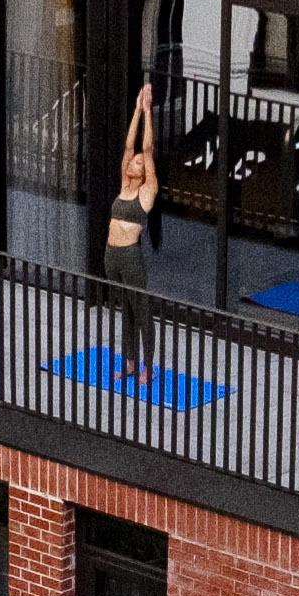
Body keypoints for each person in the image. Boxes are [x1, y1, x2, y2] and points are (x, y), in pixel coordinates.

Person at [104, 81, 164, 387]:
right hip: (111, 254)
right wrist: (136, 110)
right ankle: (129, 362)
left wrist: (148, 112)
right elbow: (129, 147)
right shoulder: (124, 186)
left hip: (129, 255)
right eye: (134, 162)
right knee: (124, 309)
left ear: (145, 172)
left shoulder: (146, 191)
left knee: (140, 309)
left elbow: (145, 148)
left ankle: (148, 366)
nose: (134, 162)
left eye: (139, 163)